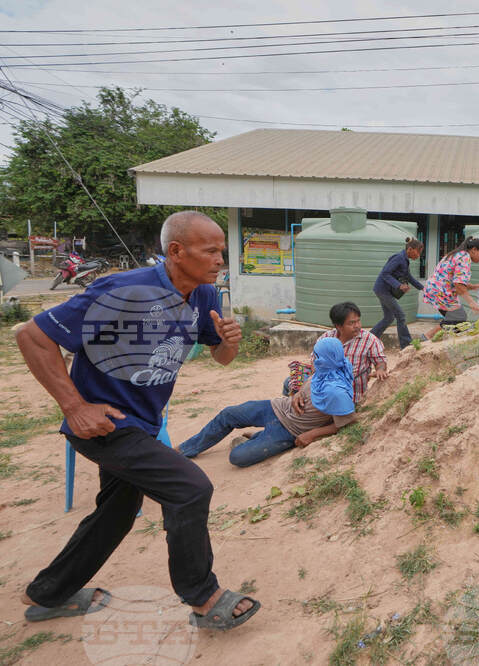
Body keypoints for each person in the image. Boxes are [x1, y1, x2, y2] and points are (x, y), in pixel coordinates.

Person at [15, 211, 259, 630]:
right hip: (105, 425)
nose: (221, 259)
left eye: (222, 250)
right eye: (211, 250)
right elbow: (32, 336)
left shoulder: (203, 295)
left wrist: (230, 344)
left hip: (143, 423)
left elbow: (221, 356)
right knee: (189, 487)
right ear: (177, 251)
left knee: (118, 511)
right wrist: (75, 407)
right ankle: (202, 596)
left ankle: (49, 593)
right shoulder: (124, 290)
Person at [179, 337, 356, 467]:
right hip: (277, 407)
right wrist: (296, 395)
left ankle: (259, 438)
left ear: (325, 358)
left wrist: (311, 434)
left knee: (238, 457)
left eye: (315, 355)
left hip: (289, 431)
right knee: (228, 414)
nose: (312, 358)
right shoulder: (326, 368)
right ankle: (186, 449)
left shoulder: (337, 392)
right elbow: (307, 383)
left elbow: (345, 422)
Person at [312, 302, 388, 405]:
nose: (357, 326)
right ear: (338, 326)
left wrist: (380, 370)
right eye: (351, 323)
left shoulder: (369, 340)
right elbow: (314, 362)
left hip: (353, 397)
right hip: (326, 392)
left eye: (358, 321)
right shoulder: (326, 338)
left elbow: (380, 361)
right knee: (290, 383)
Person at [420, 237, 479, 340]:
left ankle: (438, 339)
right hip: (441, 292)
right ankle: (428, 336)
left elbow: (455, 280)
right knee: (458, 319)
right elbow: (458, 285)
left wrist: (473, 287)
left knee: (457, 320)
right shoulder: (464, 257)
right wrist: (472, 303)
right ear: (473, 250)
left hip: (435, 290)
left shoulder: (457, 254)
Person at [370, 238, 424, 349]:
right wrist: (399, 285)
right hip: (383, 290)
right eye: (418, 252)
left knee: (389, 318)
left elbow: (409, 277)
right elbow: (385, 273)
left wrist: (423, 288)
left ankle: (370, 338)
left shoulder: (404, 259)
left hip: (384, 290)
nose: (418, 255)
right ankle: (406, 345)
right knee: (401, 316)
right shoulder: (398, 258)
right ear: (410, 249)